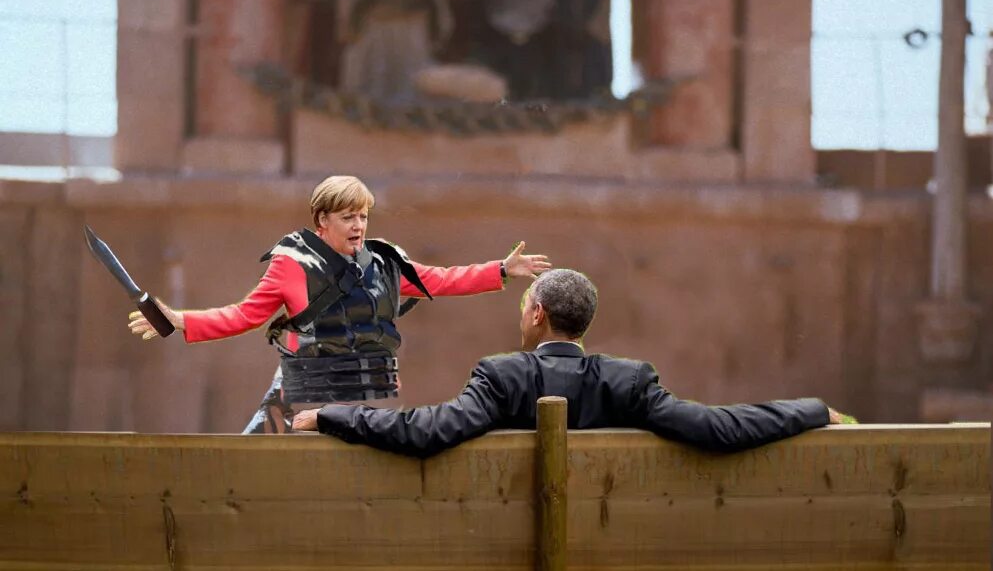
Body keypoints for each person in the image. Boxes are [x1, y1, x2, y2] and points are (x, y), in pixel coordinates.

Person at [128, 175, 551, 433]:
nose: (358, 225)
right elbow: (243, 315)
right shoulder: (290, 266)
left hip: (367, 401)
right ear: (322, 222)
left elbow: (439, 279)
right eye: (348, 216)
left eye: (363, 216)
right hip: (301, 399)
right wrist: (179, 320)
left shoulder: (385, 262)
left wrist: (500, 269)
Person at [292, 269, 845, 456]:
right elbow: (719, 428)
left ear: (536, 313)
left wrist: (334, 415)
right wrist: (813, 411)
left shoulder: (501, 375)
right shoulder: (629, 381)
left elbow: (428, 432)